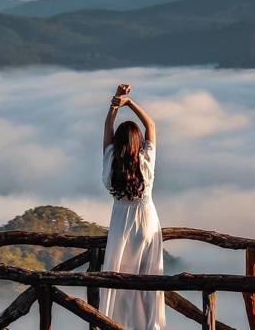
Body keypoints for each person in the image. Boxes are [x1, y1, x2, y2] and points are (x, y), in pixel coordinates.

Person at [100, 83, 166, 330]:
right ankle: (150, 326)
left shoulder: (111, 161)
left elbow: (107, 127)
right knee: (149, 280)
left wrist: (115, 103)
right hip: (146, 221)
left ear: (117, 143)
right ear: (138, 142)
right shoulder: (146, 160)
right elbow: (152, 126)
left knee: (120, 279)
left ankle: (116, 324)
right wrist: (130, 103)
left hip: (120, 222)